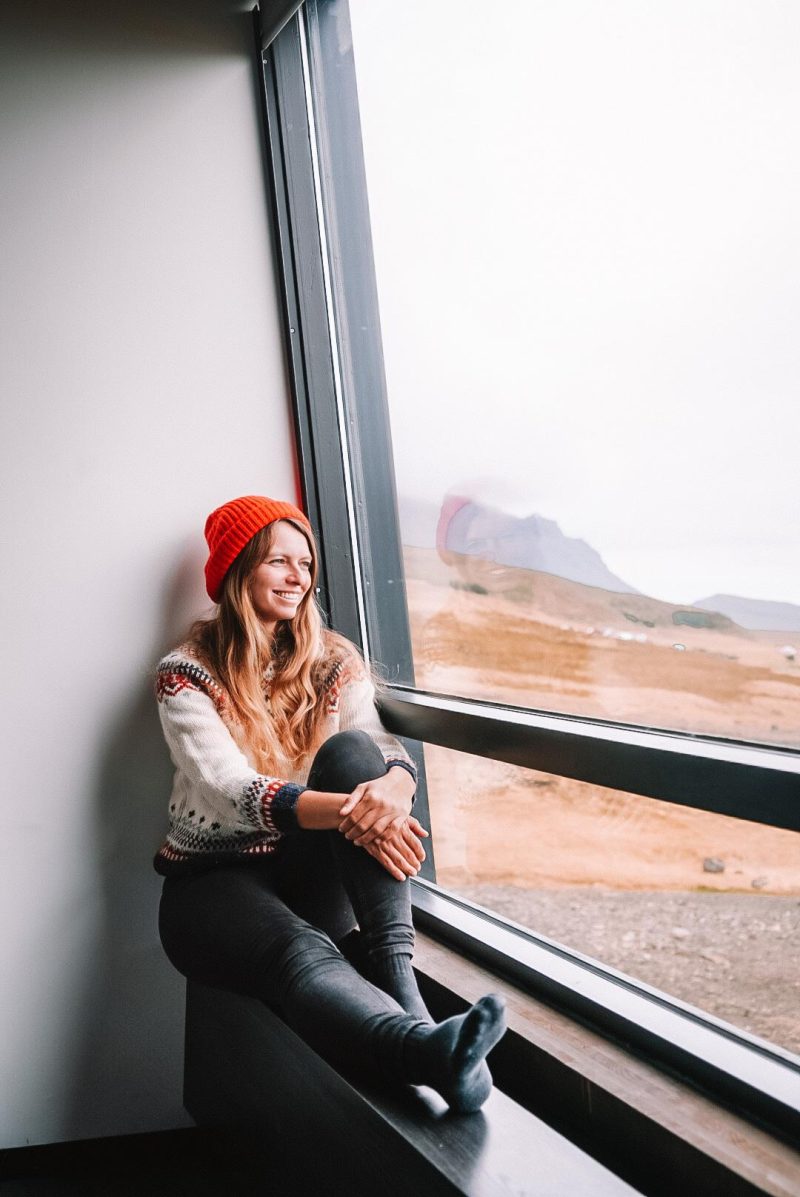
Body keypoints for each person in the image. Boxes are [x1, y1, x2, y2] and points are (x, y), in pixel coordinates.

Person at [155, 495, 506, 1113]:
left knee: (351, 752)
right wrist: (357, 812)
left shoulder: (333, 662)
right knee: (300, 951)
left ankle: (400, 979)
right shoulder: (185, 675)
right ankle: (429, 1054)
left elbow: (375, 745)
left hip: (305, 874)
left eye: (306, 563)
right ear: (239, 570)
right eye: (278, 562)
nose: (298, 577)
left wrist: (396, 786)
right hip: (210, 889)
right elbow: (230, 790)